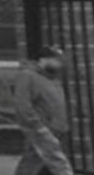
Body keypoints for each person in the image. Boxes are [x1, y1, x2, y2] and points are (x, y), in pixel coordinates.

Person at [12, 45, 72, 175]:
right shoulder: (27, 76)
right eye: (56, 60)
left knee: (32, 163)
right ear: (43, 60)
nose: (60, 63)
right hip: (42, 129)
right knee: (59, 164)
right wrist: (38, 127)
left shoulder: (51, 79)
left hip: (56, 129)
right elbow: (22, 105)